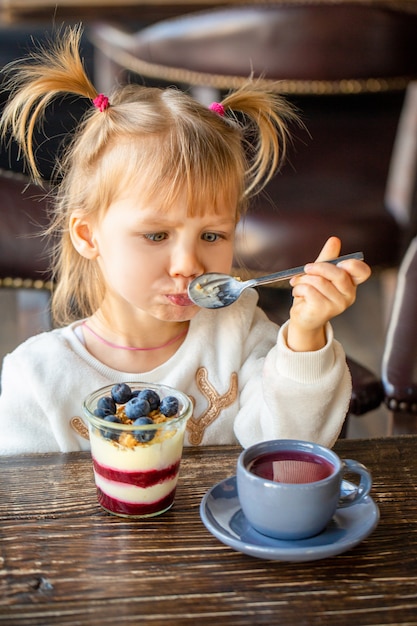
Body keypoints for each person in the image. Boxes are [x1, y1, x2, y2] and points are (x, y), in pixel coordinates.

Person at [0, 26, 371, 454]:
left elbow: (289, 452)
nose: (188, 263)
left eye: (212, 235)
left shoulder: (240, 334)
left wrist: (306, 334)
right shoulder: (38, 377)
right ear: (88, 235)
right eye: (156, 235)